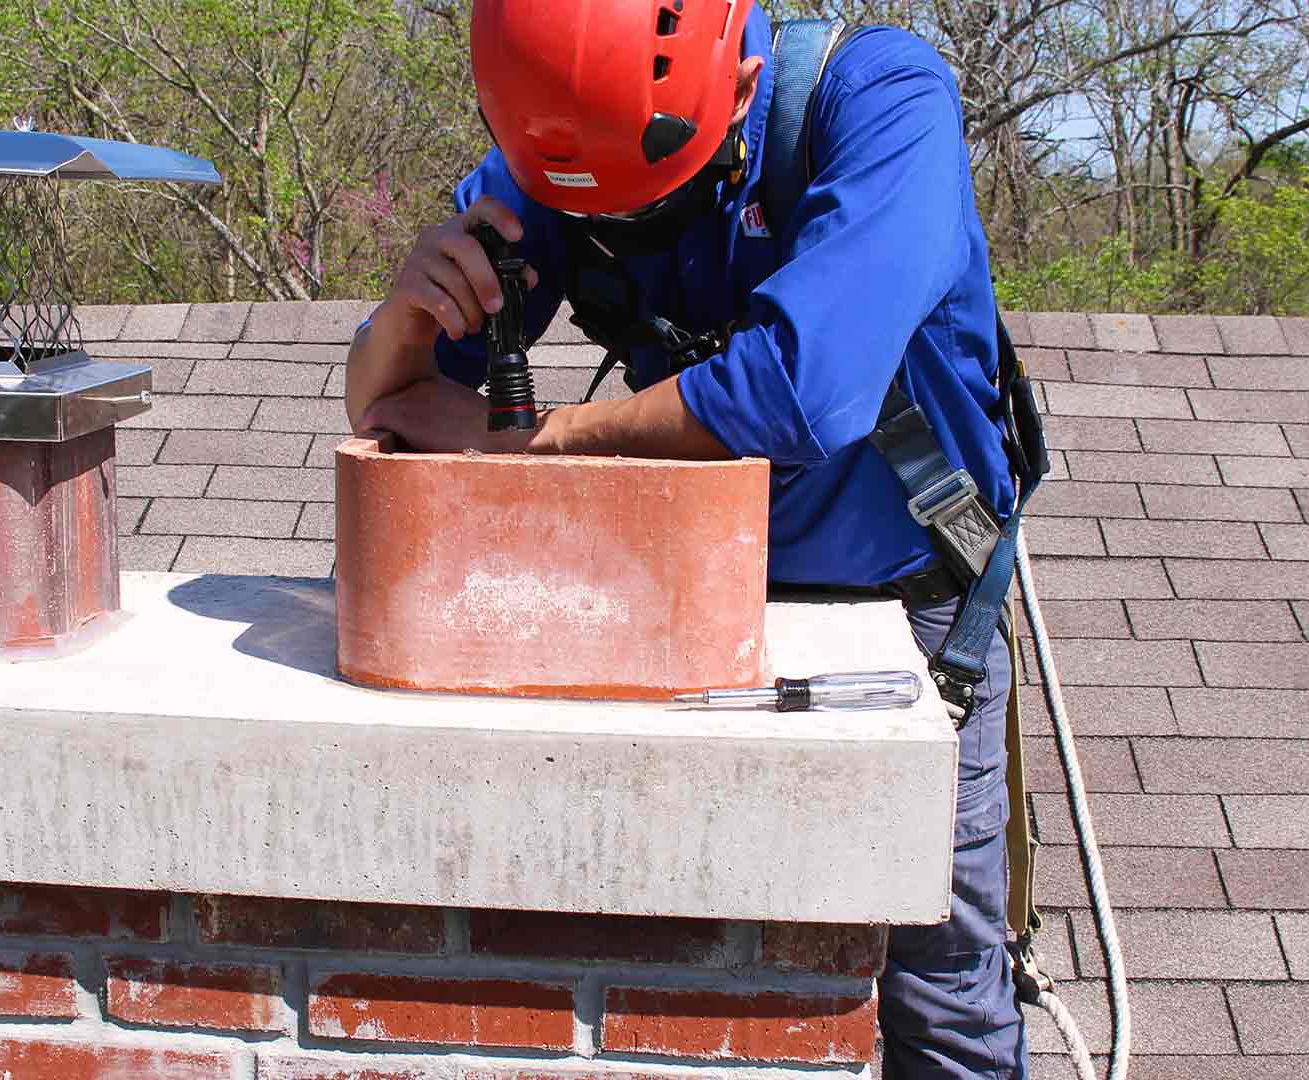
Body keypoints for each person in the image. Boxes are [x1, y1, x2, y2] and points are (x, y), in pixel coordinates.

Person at [343, 1, 1025, 1077]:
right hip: (695, 592)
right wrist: (404, 321)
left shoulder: (879, 99)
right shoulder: (565, 144)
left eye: (651, 208)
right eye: (606, 218)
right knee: (701, 951)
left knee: (935, 984)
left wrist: (545, 440)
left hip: (905, 601)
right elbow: (401, 416)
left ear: (740, 89)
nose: (625, 229)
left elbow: (806, 389)